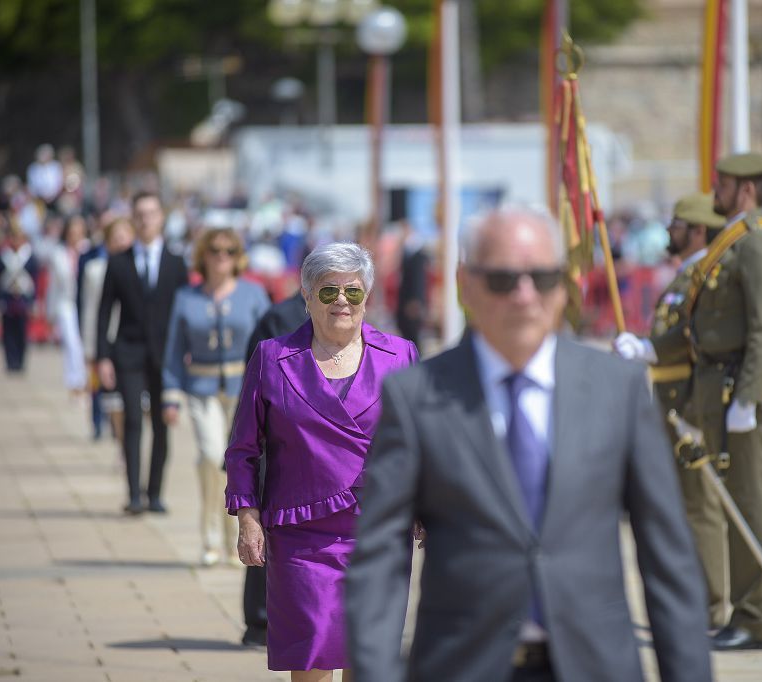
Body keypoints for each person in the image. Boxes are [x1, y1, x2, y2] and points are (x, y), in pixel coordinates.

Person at [346, 207, 712, 682]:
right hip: (461, 665)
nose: (524, 296)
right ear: (466, 283)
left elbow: (668, 560)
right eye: (502, 280)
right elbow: (378, 562)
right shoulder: (415, 396)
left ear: (563, 286)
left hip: (595, 664)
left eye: (541, 278)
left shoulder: (617, 390)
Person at [226, 242, 418, 680]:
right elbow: (243, 448)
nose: (342, 303)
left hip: (380, 531)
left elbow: (422, 443)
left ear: (367, 297)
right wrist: (248, 519)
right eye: (328, 293)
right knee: (312, 657)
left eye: (353, 292)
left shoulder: (402, 356)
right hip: (301, 535)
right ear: (307, 297)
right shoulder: (272, 357)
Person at [687, 152, 762, 651]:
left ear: (748, 190)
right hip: (727, 386)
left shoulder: (755, 243)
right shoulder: (735, 238)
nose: (717, 189)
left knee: (750, 504)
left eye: (724, 183)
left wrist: (748, 399)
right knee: (737, 501)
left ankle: (756, 619)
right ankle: (744, 610)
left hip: (747, 389)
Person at [614, 191, 729, 631]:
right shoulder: (685, 276)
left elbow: (690, 336)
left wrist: (647, 348)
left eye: (677, 225)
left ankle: (712, 606)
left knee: (700, 508)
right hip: (670, 405)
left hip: (691, 409)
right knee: (679, 508)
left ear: (698, 231)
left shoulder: (703, 276)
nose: (668, 231)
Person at [161, 227, 270, 567]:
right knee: (211, 456)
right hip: (202, 389)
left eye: (229, 250)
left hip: (244, 391)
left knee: (238, 466)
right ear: (203, 256)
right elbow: (174, 349)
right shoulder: (186, 297)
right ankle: (209, 538)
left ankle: (233, 537)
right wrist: (170, 395)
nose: (221, 256)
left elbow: (270, 343)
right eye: (215, 250)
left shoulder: (253, 295)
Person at [96, 190, 188, 515]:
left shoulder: (176, 262)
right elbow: (105, 310)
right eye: (140, 213)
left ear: (161, 217)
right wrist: (103, 355)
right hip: (128, 353)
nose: (146, 219)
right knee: (133, 421)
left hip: (165, 356)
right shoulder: (118, 262)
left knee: (163, 424)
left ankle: (155, 493)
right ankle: (134, 494)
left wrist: (186, 353)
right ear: (133, 219)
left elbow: (184, 311)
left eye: (152, 212)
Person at [239, 292, 310, 648]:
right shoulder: (281, 318)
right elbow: (255, 380)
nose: (341, 297)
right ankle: (258, 620)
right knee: (264, 531)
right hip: (278, 442)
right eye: (328, 287)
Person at [81, 217, 134, 449]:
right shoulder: (95, 270)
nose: (121, 241)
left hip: (134, 340)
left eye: (125, 236)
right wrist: (91, 347)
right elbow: (91, 310)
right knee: (115, 402)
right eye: (116, 237)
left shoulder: (140, 267)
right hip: (108, 339)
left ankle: (130, 444)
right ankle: (122, 446)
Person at [46, 213, 90, 395]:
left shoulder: (89, 250)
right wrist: (50, 313)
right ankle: (75, 381)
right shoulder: (59, 254)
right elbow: (53, 286)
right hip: (67, 303)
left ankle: (86, 378)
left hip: (86, 303)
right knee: (71, 342)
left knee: (83, 342)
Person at [0, 225, 38, 373]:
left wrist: (33, 301)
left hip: (23, 299)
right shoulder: (3, 256)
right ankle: (10, 361)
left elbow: (35, 280)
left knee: (21, 332)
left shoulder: (29, 256)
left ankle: (20, 361)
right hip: (8, 299)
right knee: (8, 333)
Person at [395, 220, 428, 349]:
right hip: (405, 303)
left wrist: (416, 301)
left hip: (412, 304)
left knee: (413, 337)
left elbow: (419, 281)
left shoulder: (417, 256)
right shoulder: (408, 253)